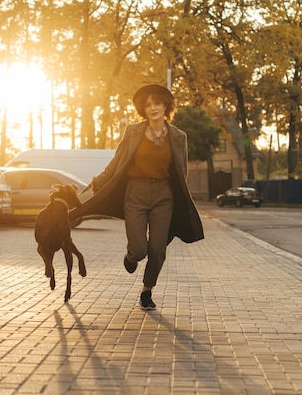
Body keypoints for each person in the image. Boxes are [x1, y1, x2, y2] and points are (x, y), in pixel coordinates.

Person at [69, 84, 204, 310]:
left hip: (164, 196)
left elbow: (182, 171)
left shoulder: (179, 137)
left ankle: (147, 291)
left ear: (166, 105)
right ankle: (131, 257)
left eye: (157, 103)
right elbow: (117, 160)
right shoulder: (133, 132)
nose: (153, 108)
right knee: (140, 249)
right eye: (148, 104)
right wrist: (99, 180)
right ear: (143, 109)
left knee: (158, 249)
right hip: (135, 194)